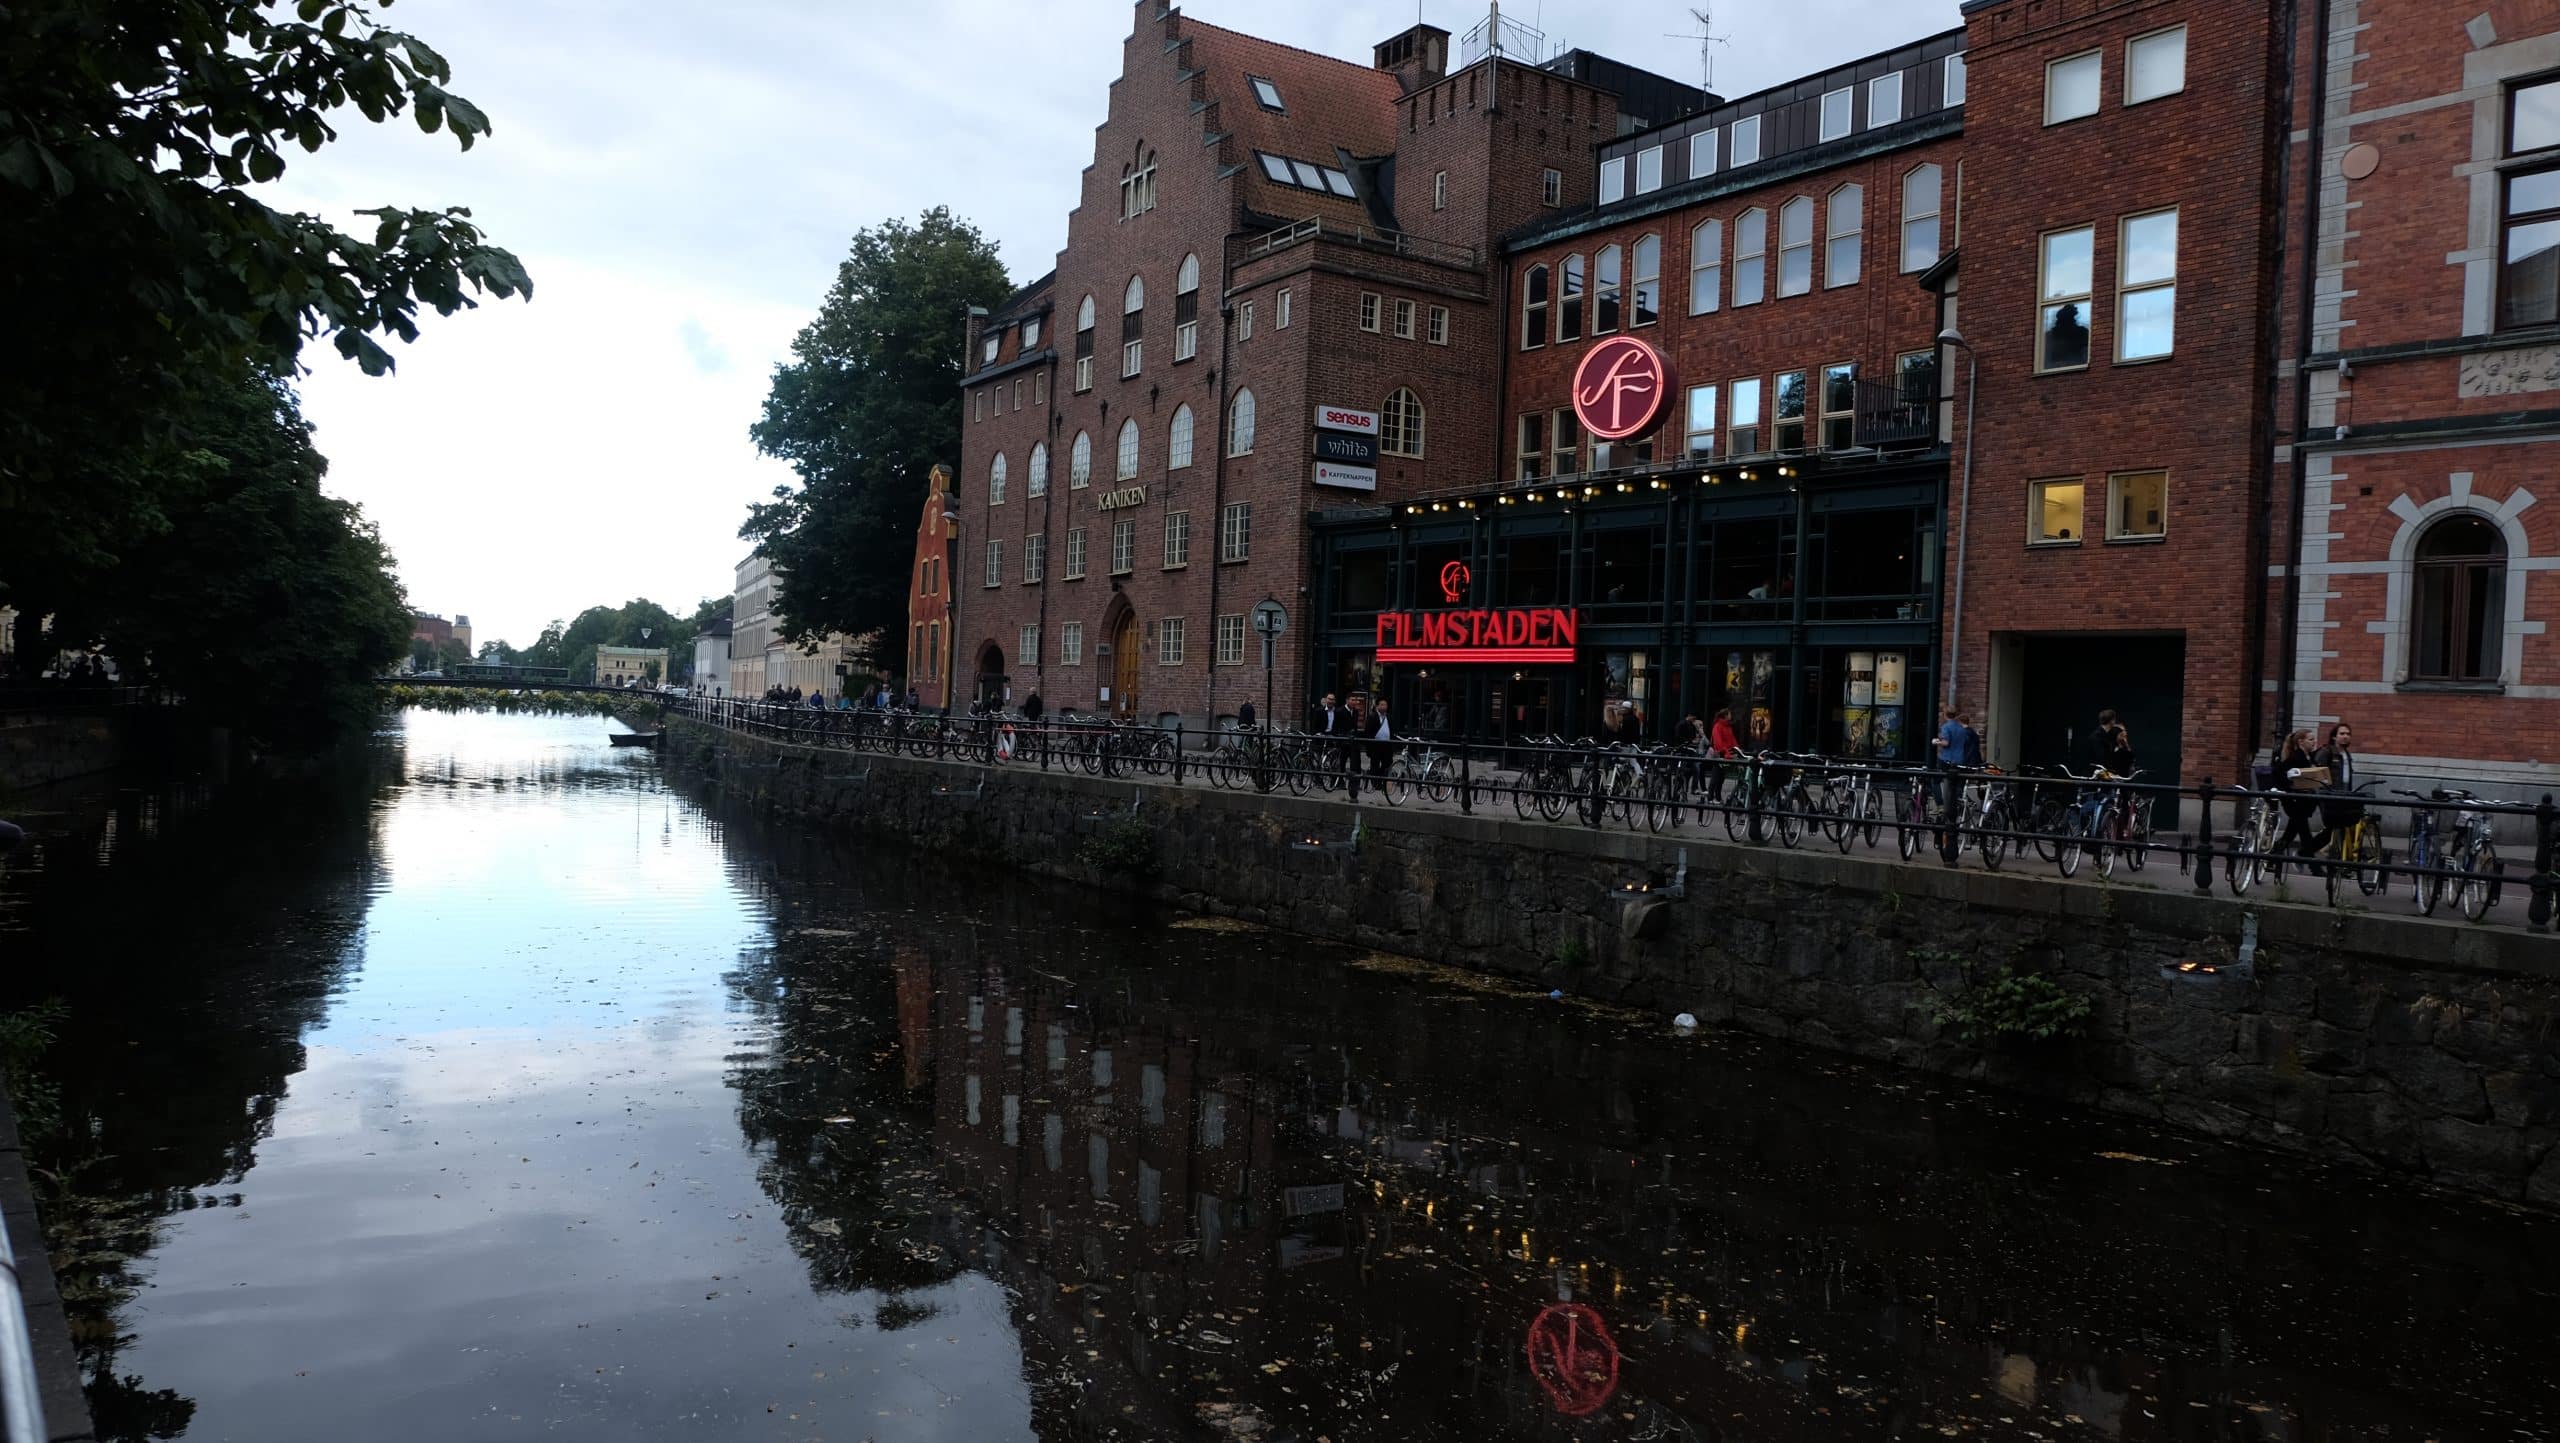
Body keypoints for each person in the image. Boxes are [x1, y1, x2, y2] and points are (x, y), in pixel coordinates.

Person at [2271, 727, 2323, 863]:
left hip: (2304, 802)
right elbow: (2278, 773)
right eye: (2311, 739)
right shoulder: (2295, 757)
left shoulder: (2310, 757)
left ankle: (2271, 859)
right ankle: (2314, 867)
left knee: (2290, 834)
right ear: (2301, 742)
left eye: (2314, 739)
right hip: (2295, 801)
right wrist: (2289, 785)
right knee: (2305, 835)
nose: (2314, 742)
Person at [2314, 720, 2363, 856]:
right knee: (2333, 826)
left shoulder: (2346, 754)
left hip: (2344, 795)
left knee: (2341, 825)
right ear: (2334, 737)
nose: (2345, 736)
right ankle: (2308, 851)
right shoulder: (2326, 752)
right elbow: (2318, 773)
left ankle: (2333, 854)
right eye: (2342, 733)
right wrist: (2324, 790)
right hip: (2329, 795)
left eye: (2348, 734)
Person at [2092, 708, 2137, 776]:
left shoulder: (2117, 745)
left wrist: (2125, 744)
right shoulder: (2098, 738)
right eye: (2121, 732)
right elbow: (2102, 759)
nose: (2124, 734)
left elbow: (2131, 759)